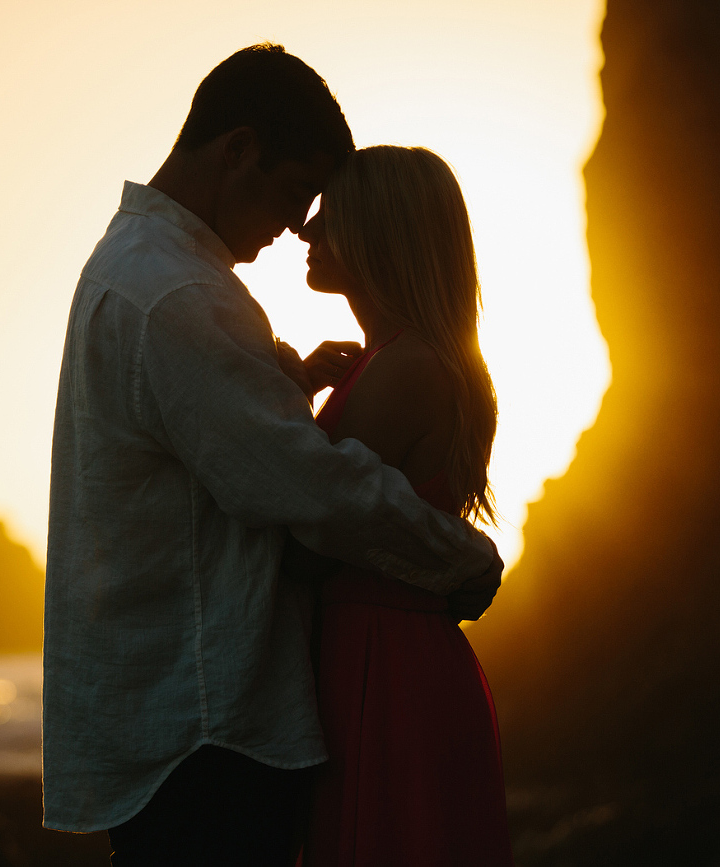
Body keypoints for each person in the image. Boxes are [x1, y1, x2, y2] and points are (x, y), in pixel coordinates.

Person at [42, 45, 503, 866]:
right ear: (239, 150)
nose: (299, 225)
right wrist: (460, 557)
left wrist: (282, 377)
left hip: (182, 714)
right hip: (205, 723)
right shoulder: (178, 294)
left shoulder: (141, 272)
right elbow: (307, 486)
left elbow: (231, 445)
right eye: (295, 192)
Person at [290, 145, 514, 866]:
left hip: (380, 664)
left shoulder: (404, 369)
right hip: (388, 653)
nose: (306, 227)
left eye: (331, 211)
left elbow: (309, 522)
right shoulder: (391, 360)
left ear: (379, 228)